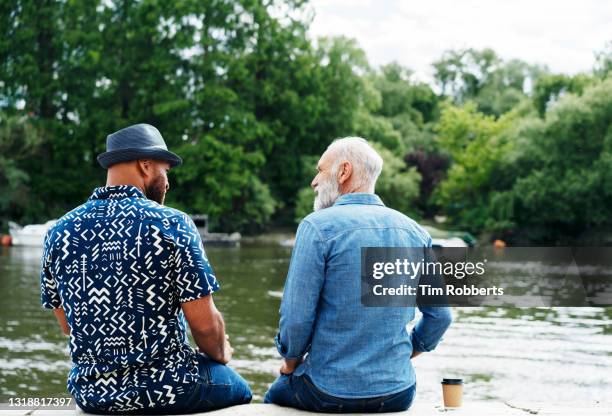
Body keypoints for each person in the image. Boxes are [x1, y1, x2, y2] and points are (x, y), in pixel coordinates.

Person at [40, 124, 251, 414]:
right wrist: (221, 352)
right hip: (168, 388)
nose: (167, 183)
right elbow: (204, 325)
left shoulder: (59, 232)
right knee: (239, 388)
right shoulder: (172, 224)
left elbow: (67, 325)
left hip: (92, 394)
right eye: (166, 171)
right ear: (146, 165)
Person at [265, 137, 453, 413]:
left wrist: (290, 363)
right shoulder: (414, 231)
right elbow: (441, 316)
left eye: (320, 170)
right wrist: (408, 351)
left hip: (326, 391)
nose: (314, 182)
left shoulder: (316, 228)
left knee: (273, 397)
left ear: (343, 172)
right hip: (398, 392)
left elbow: (296, 319)